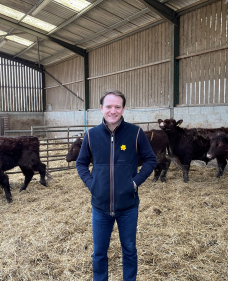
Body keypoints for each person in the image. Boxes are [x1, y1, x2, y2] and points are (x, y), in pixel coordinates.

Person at [76, 89, 157, 281]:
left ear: (123, 108)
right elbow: (81, 163)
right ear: (101, 108)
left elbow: (151, 160)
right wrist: (92, 184)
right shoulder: (91, 135)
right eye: (109, 106)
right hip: (100, 207)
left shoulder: (135, 133)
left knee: (129, 249)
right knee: (99, 253)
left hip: (128, 206)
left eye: (117, 107)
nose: (113, 111)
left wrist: (135, 183)